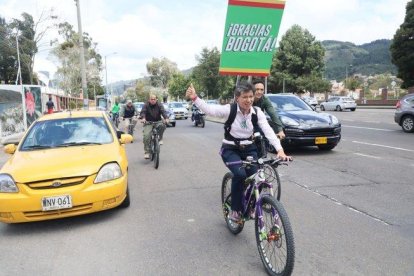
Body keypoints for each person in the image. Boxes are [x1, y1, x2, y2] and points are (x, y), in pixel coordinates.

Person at [186, 82, 291, 222]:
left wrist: (280, 150)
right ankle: (235, 210)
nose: (249, 100)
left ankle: (252, 206)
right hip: (230, 149)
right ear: (237, 98)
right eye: (245, 97)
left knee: (257, 177)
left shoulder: (257, 112)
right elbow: (210, 110)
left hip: (249, 148)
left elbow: (268, 131)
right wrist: (195, 98)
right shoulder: (230, 110)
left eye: (251, 96)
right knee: (240, 174)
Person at [140, 95, 169, 159]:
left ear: (156, 100)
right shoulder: (146, 105)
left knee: (163, 125)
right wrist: (143, 118)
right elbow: (143, 112)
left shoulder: (159, 105)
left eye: (154, 99)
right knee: (146, 136)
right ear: (149, 100)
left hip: (157, 121)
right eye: (151, 99)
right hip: (148, 122)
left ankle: (160, 138)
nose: (153, 100)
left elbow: (163, 112)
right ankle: (147, 152)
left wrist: (166, 118)